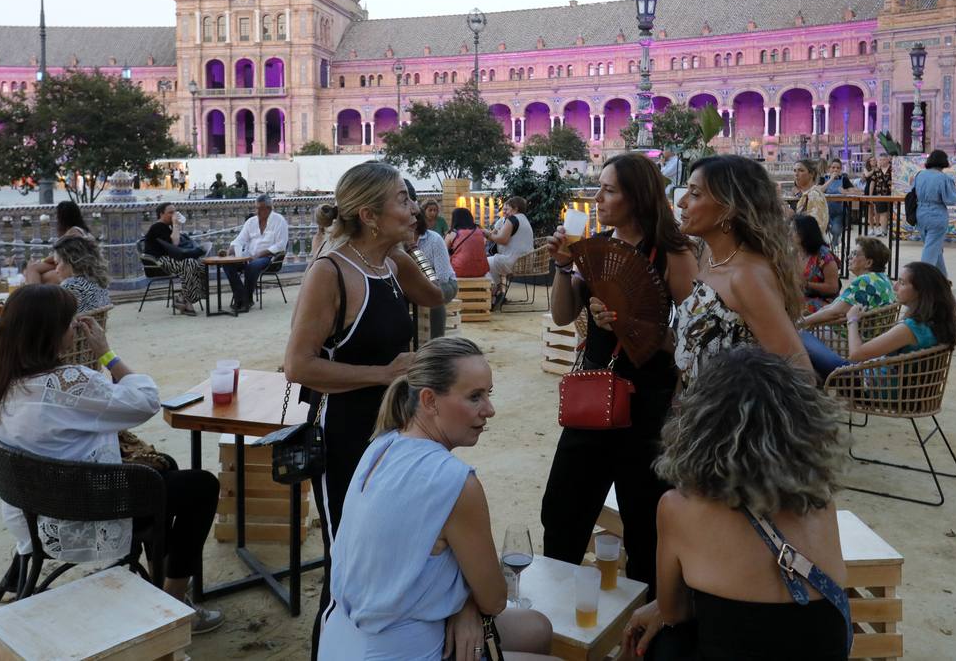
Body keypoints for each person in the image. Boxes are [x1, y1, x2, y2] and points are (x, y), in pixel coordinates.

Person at [0, 285, 223, 633]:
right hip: (86, 513)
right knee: (202, 486)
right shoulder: (67, 384)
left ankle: (160, 580)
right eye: (68, 323)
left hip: (32, 511)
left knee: (165, 465)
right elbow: (144, 401)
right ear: (49, 333)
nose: (74, 328)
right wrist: (107, 354)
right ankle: (174, 600)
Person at [282, 161, 443, 657]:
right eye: (401, 199)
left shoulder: (390, 264)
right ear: (369, 214)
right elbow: (298, 366)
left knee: (392, 548)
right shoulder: (330, 272)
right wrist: (382, 374)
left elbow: (438, 295)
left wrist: (411, 251)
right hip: (348, 436)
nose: (413, 207)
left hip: (399, 432)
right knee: (347, 559)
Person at [319, 337, 556, 661]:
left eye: (489, 394)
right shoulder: (456, 482)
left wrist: (466, 606)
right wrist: (471, 605)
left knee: (537, 628)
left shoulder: (381, 445)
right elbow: (495, 599)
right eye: (475, 397)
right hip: (402, 650)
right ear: (429, 401)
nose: (490, 410)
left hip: (340, 641)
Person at [621, 346, 851, 661]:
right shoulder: (821, 500)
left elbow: (672, 611)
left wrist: (656, 609)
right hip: (826, 649)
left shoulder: (679, 507)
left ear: (699, 426)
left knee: (667, 641)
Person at [543, 152, 699, 592]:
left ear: (637, 196)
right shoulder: (596, 248)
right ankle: (558, 619)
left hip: (648, 403)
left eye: (609, 190)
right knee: (563, 510)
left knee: (644, 519)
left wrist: (631, 323)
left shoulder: (672, 253)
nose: (597, 198)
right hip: (593, 393)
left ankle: (644, 628)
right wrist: (561, 267)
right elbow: (561, 315)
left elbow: (691, 336)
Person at [0, 234, 112, 453]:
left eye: (59, 262)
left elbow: (38, 322)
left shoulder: (71, 288)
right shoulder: (96, 286)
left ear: (71, 261)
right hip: (77, 350)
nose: (56, 269)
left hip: (48, 352)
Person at [674, 155, 811, 383]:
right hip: (699, 411)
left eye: (695, 194)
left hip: (730, 416)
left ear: (728, 209)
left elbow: (800, 373)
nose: (682, 202)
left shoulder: (745, 276)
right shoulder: (709, 255)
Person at [800, 261, 956, 381]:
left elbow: (856, 354)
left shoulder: (911, 328)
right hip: (891, 384)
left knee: (800, 336)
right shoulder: (934, 323)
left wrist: (852, 319)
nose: (895, 286)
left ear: (921, 291)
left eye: (902, 283)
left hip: (868, 385)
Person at [799, 237, 894, 330]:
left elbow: (834, 312)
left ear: (868, 263)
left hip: (845, 337)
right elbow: (834, 308)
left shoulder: (864, 281)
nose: (849, 257)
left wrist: (801, 323)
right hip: (870, 336)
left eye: (854, 254)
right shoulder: (883, 278)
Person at [225, 194, 289, 312]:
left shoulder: (279, 221)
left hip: (269, 258)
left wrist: (260, 254)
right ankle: (242, 297)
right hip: (249, 256)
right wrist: (231, 249)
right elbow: (240, 239)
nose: (257, 211)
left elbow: (281, 245)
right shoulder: (251, 222)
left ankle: (246, 300)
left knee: (252, 266)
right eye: (256, 208)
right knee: (227, 263)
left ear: (269, 208)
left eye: (260, 208)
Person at [144, 202, 205, 315]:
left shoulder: (167, 227)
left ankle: (183, 298)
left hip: (172, 259)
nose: (174, 215)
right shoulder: (157, 227)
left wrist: (175, 225)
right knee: (190, 263)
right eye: (170, 213)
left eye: (175, 212)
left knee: (201, 264)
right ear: (161, 214)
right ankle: (187, 301)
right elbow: (175, 243)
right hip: (159, 262)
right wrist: (176, 224)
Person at [410, 207, 458, 338]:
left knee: (435, 295)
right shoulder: (399, 241)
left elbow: (442, 277)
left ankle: (437, 341)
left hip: (446, 283)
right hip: (415, 286)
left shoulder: (434, 239)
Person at [913, 150, 956, 277]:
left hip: (920, 213)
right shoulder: (944, 178)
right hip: (937, 214)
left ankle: (942, 279)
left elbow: (913, 192)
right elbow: (951, 199)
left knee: (934, 247)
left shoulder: (920, 175)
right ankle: (922, 281)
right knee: (931, 249)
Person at [484, 196, 534, 309]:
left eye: (507, 209)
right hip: (525, 262)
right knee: (489, 264)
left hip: (511, 262)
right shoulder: (524, 220)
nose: (504, 212)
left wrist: (487, 234)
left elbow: (502, 239)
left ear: (515, 208)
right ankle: (497, 292)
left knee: (481, 264)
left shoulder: (513, 219)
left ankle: (495, 292)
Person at [795, 214, 841, 316]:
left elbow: (833, 287)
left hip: (823, 303)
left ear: (805, 234)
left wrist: (806, 284)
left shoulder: (824, 256)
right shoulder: (795, 252)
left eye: (793, 231)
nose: (789, 234)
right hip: (801, 297)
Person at [819, 158, 860, 246]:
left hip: (839, 212)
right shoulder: (823, 178)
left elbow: (857, 191)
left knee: (836, 230)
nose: (835, 170)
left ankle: (834, 245)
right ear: (829, 168)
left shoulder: (844, 179)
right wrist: (831, 179)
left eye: (838, 168)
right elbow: (819, 190)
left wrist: (845, 192)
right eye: (833, 167)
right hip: (824, 212)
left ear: (841, 169)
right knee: (819, 233)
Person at [445, 207, 489, 279]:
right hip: (481, 270)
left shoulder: (453, 233)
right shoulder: (480, 231)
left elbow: (443, 253)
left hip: (458, 270)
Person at [791, 159, 828, 234]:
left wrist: (792, 216)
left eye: (801, 170)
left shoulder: (814, 195)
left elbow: (815, 228)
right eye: (794, 171)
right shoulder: (807, 194)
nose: (796, 174)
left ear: (812, 174)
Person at [865, 155, 894, 236]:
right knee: (882, 213)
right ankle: (883, 230)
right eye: (880, 160)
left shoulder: (893, 169)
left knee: (891, 213)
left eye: (884, 159)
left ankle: (891, 229)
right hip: (879, 194)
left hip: (892, 195)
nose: (882, 161)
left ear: (888, 160)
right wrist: (870, 195)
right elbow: (872, 182)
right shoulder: (876, 170)